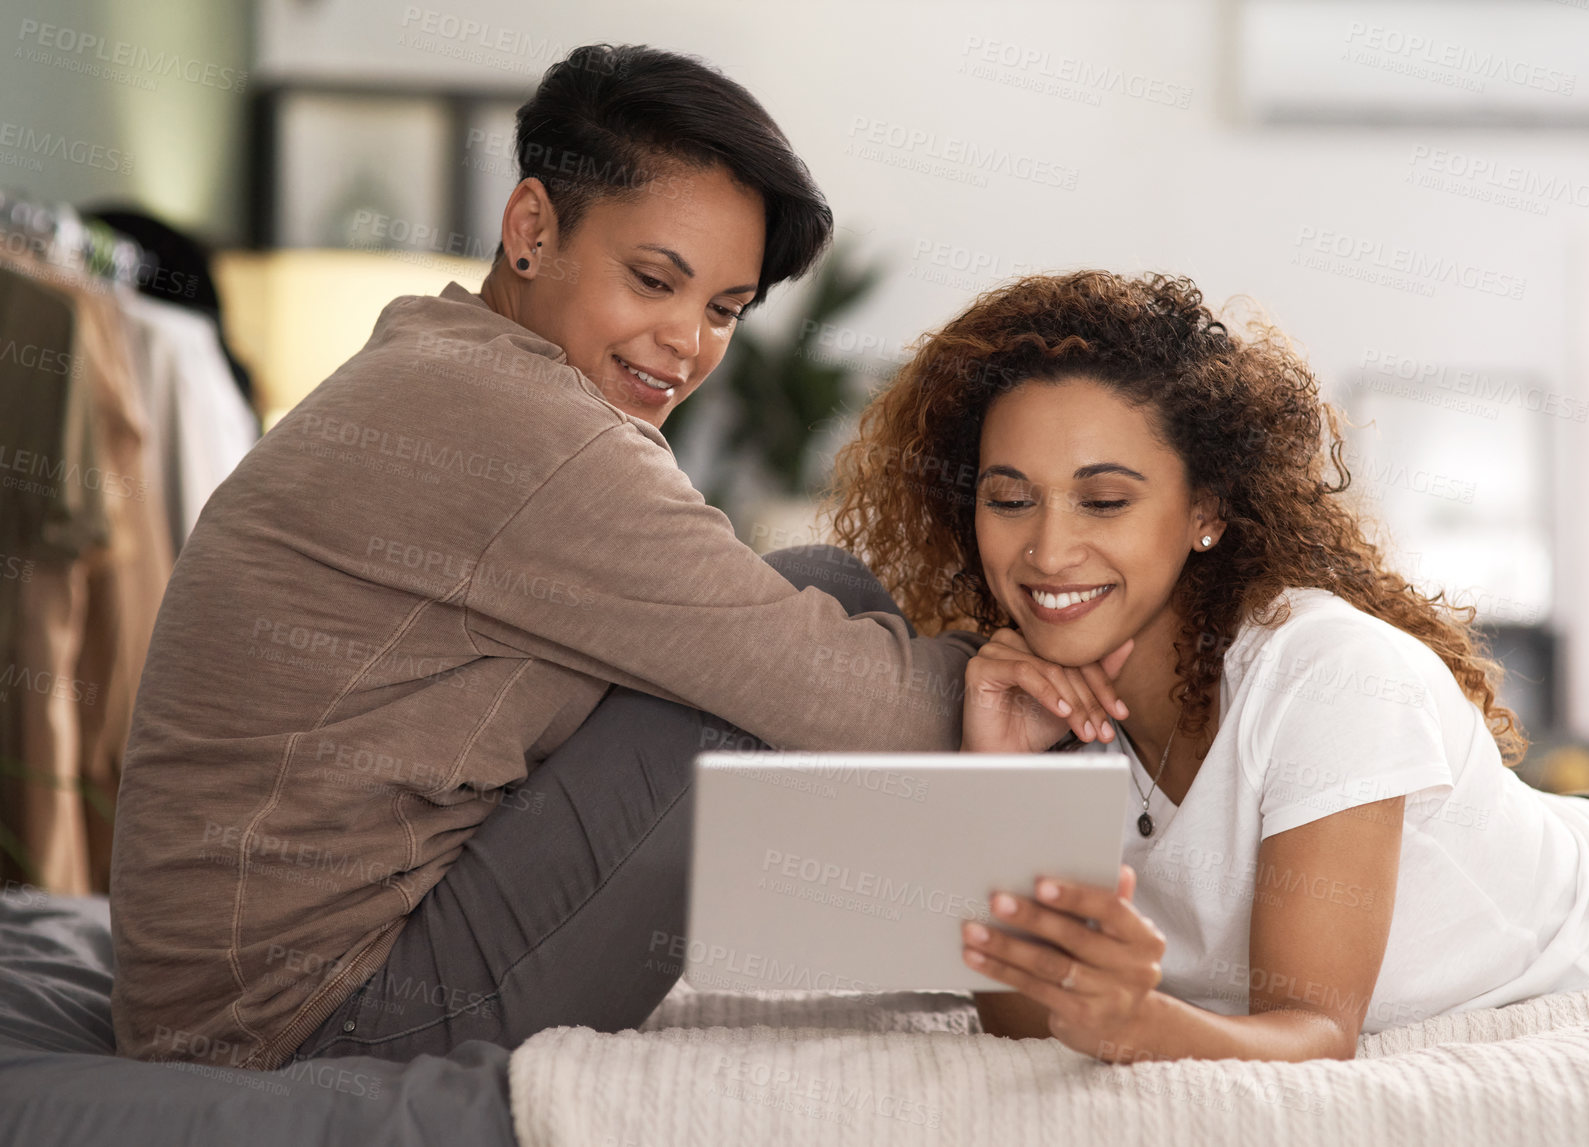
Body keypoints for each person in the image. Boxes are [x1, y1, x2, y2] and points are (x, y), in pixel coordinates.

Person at [106, 44, 1125, 1071]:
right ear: (532, 229)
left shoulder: (442, 362)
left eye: (724, 309)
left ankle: (970, 942)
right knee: (767, 692)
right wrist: (1046, 667)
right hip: (299, 1022)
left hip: (239, 985)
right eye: (653, 280)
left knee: (817, 588)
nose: (685, 341)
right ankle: (1044, 935)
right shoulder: (531, 432)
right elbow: (871, 709)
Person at [829, 269, 1589, 1063]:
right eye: (1009, 498)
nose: (1048, 547)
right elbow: (1021, 1019)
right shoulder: (1036, 701)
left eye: (1104, 499)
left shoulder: (1328, 674)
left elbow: (1308, 1031)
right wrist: (997, 777)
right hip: (1585, 824)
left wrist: (1139, 1023)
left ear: (1205, 510)